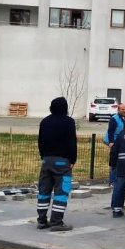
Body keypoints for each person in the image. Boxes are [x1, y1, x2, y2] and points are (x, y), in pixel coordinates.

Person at [36, 96, 77, 231]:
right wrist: (72, 160)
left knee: (44, 191)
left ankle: (42, 220)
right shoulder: (68, 122)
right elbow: (71, 142)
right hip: (62, 162)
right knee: (61, 192)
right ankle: (56, 222)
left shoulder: (45, 122)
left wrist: (44, 156)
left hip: (47, 160)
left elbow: (40, 141)